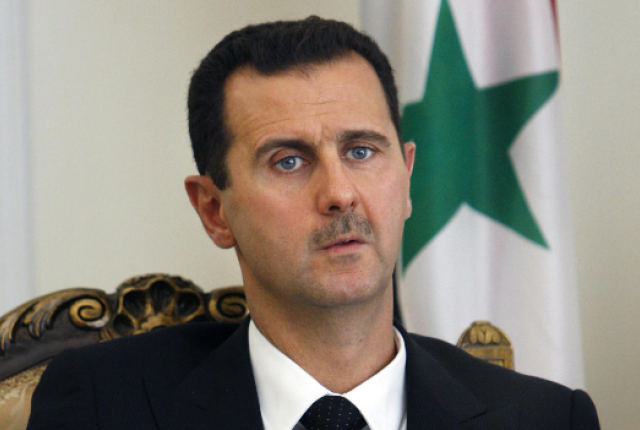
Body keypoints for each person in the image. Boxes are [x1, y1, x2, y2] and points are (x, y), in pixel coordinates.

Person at [27, 16, 600, 430]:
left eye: (361, 151)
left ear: (406, 179)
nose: (340, 193)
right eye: (289, 161)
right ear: (214, 211)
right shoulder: (103, 405)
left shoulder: (547, 418)